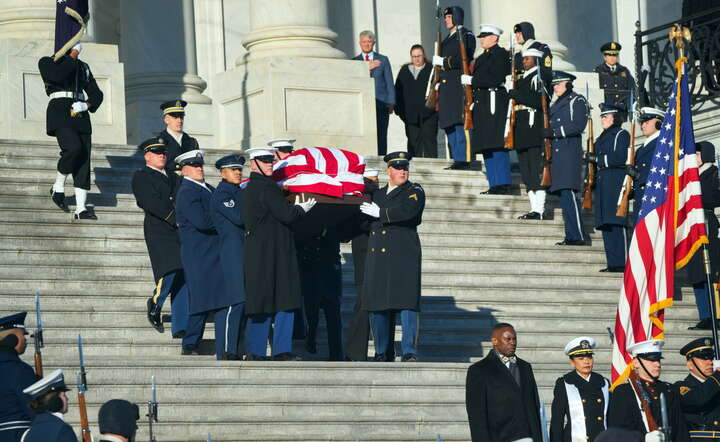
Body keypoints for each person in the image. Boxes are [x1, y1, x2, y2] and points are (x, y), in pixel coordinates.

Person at [241, 147, 316, 361]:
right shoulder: (268, 188)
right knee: (285, 300)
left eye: (270, 160)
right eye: (264, 161)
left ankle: (255, 351)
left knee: (260, 302)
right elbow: (286, 215)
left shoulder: (248, 189)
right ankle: (281, 350)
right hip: (276, 253)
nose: (269, 164)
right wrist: (301, 209)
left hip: (257, 253)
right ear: (253, 163)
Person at [175, 150, 243, 360]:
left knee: (216, 297)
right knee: (201, 297)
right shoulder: (187, 191)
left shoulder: (207, 189)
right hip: (199, 253)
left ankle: (216, 344)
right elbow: (202, 221)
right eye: (194, 166)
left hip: (214, 251)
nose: (199, 169)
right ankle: (190, 341)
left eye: (200, 166)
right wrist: (225, 220)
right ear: (184, 170)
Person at [39, 0, 103, 220]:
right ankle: (58, 185)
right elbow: (58, 77)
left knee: (84, 159)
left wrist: (87, 104)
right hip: (59, 112)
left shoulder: (84, 68)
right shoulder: (48, 62)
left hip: (80, 114)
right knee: (73, 149)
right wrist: (72, 57)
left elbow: (97, 95)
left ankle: (81, 208)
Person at [359, 152, 425, 362]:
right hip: (379, 255)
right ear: (389, 171)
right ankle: (381, 351)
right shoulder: (377, 195)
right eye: (397, 168)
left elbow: (409, 212)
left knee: (407, 304)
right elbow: (365, 221)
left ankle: (409, 351)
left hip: (403, 254)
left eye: (405, 167)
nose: (402, 171)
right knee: (377, 304)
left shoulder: (414, 191)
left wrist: (381, 214)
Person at [131, 137, 190, 341]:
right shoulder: (142, 176)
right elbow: (149, 202)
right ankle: (156, 302)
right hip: (159, 229)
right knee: (170, 268)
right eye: (157, 153)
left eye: (164, 153)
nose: (162, 156)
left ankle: (181, 324)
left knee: (184, 275)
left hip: (179, 230)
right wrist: (174, 218)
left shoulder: (174, 177)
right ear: (147, 157)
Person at [339, 170, 396, 362]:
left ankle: (380, 352)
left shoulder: (380, 199)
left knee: (381, 307)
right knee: (365, 307)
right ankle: (357, 352)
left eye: (375, 182)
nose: (374, 185)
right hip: (365, 261)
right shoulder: (361, 200)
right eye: (370, 182)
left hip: (380, 259)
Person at [465, 323, 542, 442]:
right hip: (499, 437)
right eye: (508, 339)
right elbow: (477, 416)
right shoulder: (479, 370)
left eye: (514, 338)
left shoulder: (525, 367)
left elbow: (534, 406)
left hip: (527, 436)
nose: (513, 342)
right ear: (494, 341)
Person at [608, 339, 689, 441]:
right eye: (651, 360)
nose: (657, 364)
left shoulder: (668, 390)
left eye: (658, 360)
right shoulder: (624, 392)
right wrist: (643, 438)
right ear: (636, 363)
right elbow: (618, 432)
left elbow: (680, 431)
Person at [209, 154, 249, 360]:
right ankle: (227, 349)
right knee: (235, 301)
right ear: (223, 172)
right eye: (233, 169)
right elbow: (240, 218)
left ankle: (238, 348)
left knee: (244, 302)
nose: (238, 172)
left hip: (243, 252)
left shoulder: (238, 192)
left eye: (240, 169)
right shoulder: (223, 194)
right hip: (231, 253)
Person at [465, 24, 512, 195]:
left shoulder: (500, 54)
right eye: (482, 36)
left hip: (495, 101)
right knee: (486, 145)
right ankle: (494, 183)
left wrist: (473, 80)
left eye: (485, 36)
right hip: (482, 102)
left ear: (495, 37)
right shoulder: (482, 57)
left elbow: (496, 77)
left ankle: (503, 183)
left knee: (497, 143)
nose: (482, 39)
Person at [585, 104, 630, 272]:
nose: (602, 119)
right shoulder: (601, 137)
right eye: (602, 116)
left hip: (615, 179)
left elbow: (620, 157)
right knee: (606, 224)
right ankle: (613, 262)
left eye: (606, 116)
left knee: (616, 222)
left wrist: (597, 158)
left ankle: (622, 263)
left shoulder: (621, 134)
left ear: (615, 118)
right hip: (603, 180)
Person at [546, 71, 588, 245]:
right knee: (564, 196)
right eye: (554, 84)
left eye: (558, 84)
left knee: (569, 194)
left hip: (569, 153)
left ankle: (577, 235)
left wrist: (554, 132)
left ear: (568, 84)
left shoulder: (576, 101)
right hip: (558, 153)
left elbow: (578, 125)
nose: (554, 87)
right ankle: (570, 234)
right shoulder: (557, 103)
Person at [432, 6, 476, 170]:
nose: (446, 19)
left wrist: (444, 62)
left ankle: (464, 158)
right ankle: (457, 157)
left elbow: (465, 58)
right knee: (449, 123)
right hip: (446, 86)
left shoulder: (466, 35)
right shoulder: (447, 39)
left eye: (449, 16)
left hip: (458, 85)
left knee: (459, 122)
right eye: (445, 17)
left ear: (457, 17)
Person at [509, 47, 550, 219]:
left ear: (536, 60)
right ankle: (533, 208)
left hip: (534, 128)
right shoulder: (523, 78)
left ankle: (539, 209)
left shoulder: (538, 77)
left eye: (528, 59)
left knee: (535, 170)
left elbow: (540, 101)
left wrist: (516, 94)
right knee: (526, 172)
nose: (524, 61)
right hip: (522, 128)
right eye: (524, 59)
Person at [685, 141, 720, 331]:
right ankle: (705, 315)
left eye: (697, 154)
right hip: (693, 225)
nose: (695, 157)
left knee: (711, 271)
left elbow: (712, 198)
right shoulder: (693, 176)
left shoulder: (713, 174)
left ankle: (715, 315)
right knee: (697, 272)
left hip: (707, 224)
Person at [295, 228, 343, 361]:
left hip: (329, 267)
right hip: (310, 264)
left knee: (333, 313)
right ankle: (311, 339)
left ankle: (336, 352)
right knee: (312, 312)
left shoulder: (333, 221)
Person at [550, 336, 609, 442]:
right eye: (581, 359)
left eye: (589, 357)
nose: (587, 362)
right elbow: (557, 422)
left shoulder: (604, 382)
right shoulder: (564, 383)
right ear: (572, 362)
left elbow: (611, 417)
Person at [353, 31, 395, 156]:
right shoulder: (354, 61)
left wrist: (391, 102)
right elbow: (353, 81)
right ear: (360, 43)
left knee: (381, 133)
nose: (367, 44)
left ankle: (382, 159)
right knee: (364, 134)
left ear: (374, 43)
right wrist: (366, 68)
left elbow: (389, 81)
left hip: (381, 103)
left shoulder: (382, 59)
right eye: (364, 42)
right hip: (362, 104)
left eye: (369, 42)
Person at [0, 313, 40, 442]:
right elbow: (34, 409)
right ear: (14, 338)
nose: (25, 339)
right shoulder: (19, 370)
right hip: (17, 435)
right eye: (23, 334)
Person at [395, 44, 438, 159]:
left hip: (429, 114)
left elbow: (437, 90)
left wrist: (434, 109)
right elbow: (398, 91)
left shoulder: (432, 69)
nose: (417, 59)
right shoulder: (404, 71)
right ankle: (413, 169)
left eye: (419, 56)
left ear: (424, 55)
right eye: (414, 56)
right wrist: (400, 111)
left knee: (430, 141)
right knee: (413, 143)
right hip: (410, 115)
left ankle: (432, 168)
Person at [674, 337, 720, 440]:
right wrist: (718, 375)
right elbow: (697, 399)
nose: (710, 362)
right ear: (690, 365)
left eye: (711, 358)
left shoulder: (716, 384)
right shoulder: (681, 387)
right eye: (703, 358)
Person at [21, 369, 76, 442]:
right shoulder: (62, 430)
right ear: (55, 400)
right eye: (64, 395)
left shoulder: (28, 433)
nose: (67, 399)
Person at [631, 107, 665, 222]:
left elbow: (661, 168)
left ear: (658, 123)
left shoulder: (662, 143)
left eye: (646, 122)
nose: (642, 126)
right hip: (641, 195)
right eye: (642, 123)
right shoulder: (641, 148)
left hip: (653, 196)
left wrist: (639, 176)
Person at [594, 42, 636, 121]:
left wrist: (627, 105)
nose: (612, 57)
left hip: (622, 111)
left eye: (615, 55)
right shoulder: (598, 71)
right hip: (607, 111)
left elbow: (632, 90)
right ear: (605, 57)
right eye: (610, 55)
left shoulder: (624, 71)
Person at [159, 100, 200, 174]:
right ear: (166, 120)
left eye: (181, 117)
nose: (179, 121)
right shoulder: (158, 142)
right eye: (175, 117)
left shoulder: (192, 142)